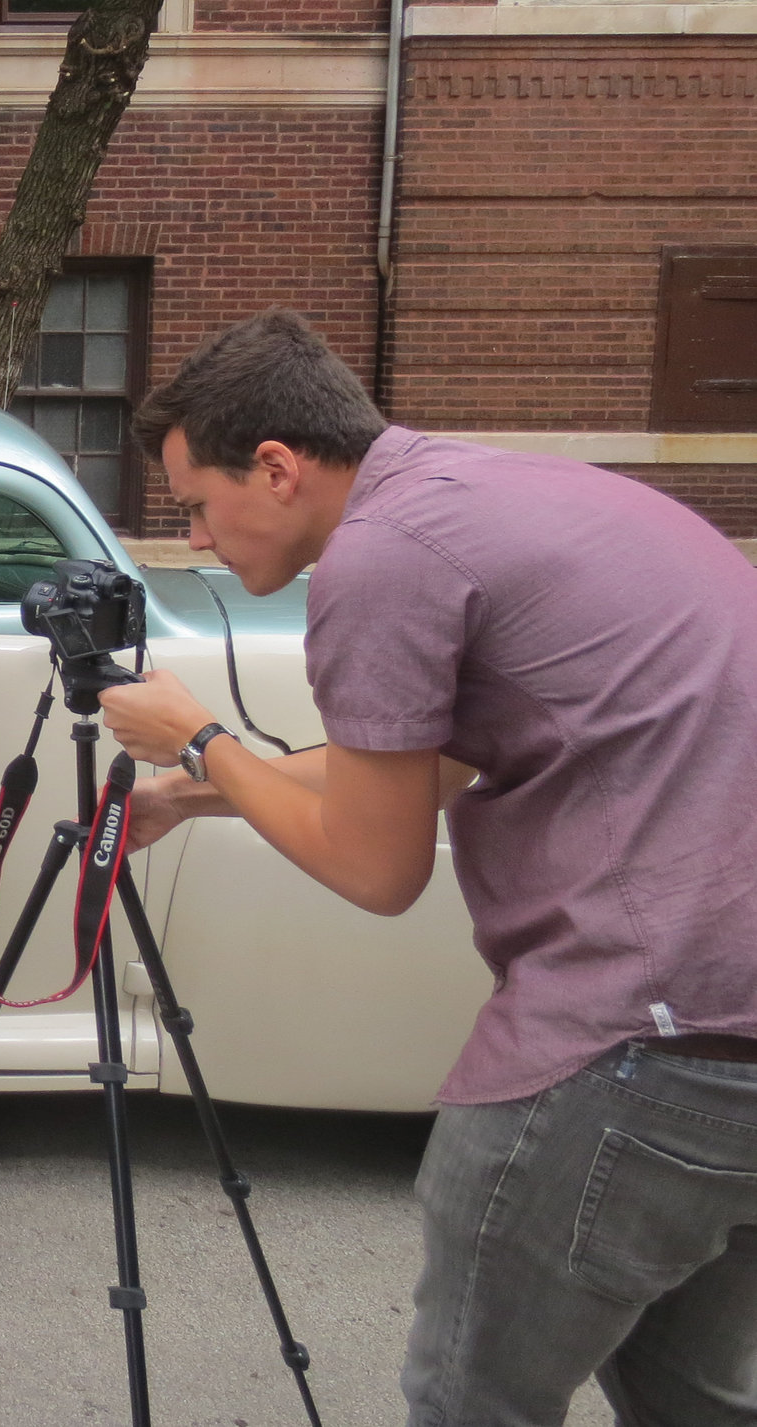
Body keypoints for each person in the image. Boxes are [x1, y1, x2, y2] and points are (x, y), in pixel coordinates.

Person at [98, 309, 757, 1427]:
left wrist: (196, 738)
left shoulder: (380, 559)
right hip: (726, 1030)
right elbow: (429, 765)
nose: (198, 540)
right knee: (690, 1397)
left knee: (469, 1400)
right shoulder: (486, 493)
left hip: (633, 1041)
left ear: (276, 466)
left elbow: (375, 867)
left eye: (197, 507)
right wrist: (198, 796)